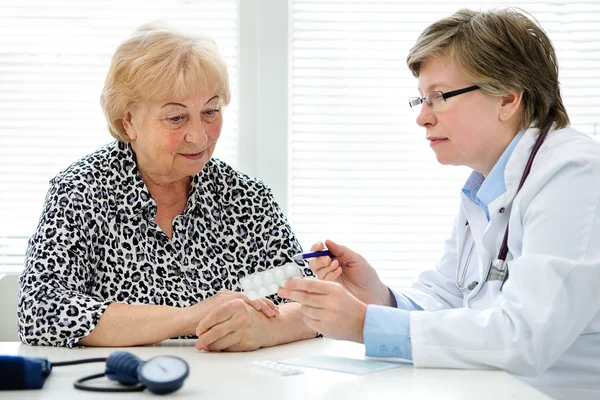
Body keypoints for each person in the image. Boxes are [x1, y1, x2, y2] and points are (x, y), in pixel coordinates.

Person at [278, 8, 600, 399]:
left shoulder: (574, 177)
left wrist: (364, 324)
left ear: (508, 98)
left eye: (439, 97)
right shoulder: (484, 186)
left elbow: (525, 336)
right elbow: (451, 297)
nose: (423, 118)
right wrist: (378, 297)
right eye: (421, 100)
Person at [17, 23, 317, 350]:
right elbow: (40, 312)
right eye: (176, 118)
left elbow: (310, 301)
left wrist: (263, 329)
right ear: (128, 121)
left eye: (210, 112)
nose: (199, 136)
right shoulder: (81, 191)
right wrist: (188, 317)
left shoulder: (247, 197)